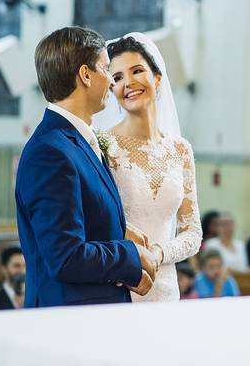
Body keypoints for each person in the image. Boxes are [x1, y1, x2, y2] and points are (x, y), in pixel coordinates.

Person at [16, 26, 157, 307]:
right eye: (106, 68)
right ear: (86, 75)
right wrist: (131, 255)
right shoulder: (50, 152)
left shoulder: (74, 141)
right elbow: (66, 257)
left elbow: (84, 217)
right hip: (69, 318)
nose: (112, 81)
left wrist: (117, 228)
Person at [93, 34, 202, 302]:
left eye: (137, 71)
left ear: (157, 77)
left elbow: (192, 232)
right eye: (117, 78)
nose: (128, 83)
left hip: (166, 286)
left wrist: (159, 254)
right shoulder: (102, 145)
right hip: (120, 283)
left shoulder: (180, 149)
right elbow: (96, 220)